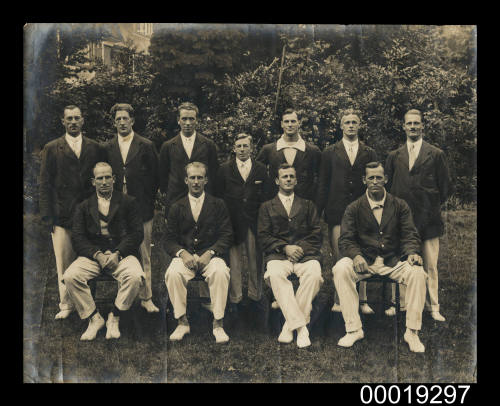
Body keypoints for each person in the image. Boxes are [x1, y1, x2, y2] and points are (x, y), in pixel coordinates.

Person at [332, 162, 428, 352]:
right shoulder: (354, 207)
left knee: (418, 272)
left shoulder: (400, 205)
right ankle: (353, 329)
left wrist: (412, 253)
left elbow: (410, 234)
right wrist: (356, 256)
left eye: (378, 177)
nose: (375, 181)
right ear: (364, 180)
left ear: (386, 179)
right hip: (365, 261)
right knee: (340, 268)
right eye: (371, 178)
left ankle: (412, 331)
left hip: (394, 260)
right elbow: (346, 239)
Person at [63, 162, 145, 341]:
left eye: (108, 177)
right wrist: (97, 255)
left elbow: (137, 233)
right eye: (100, 178)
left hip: (121, 255)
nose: (104, 181)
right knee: (70, 276)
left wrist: (118, 253)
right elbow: (78, 237)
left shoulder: (128, 202)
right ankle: (94, 318)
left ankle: (114, 316)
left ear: (114, 179)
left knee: (135, 277)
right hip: (93, 256)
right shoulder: (83, 206)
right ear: (93, 182)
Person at [385, 109, 453, 321]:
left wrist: (429, 205)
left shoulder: (436, 154)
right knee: (402, 262)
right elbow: (388, 187)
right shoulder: (394, 156)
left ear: (423, 126)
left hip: (428, 220)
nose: (413, 127)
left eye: (417, 123)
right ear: (403, 126)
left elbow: (446, 187)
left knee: (430, 264)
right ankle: (402, 304)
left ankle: (433, 307)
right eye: (409, 123)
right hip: (402, 221)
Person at [39, 105, 105, 319]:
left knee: (89, 259)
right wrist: (48, 216)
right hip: (62, 215)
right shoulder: (52, 148)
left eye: (77, 118)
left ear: (83, 121)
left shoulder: (94, 147)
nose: (73, 122)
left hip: (89, 215)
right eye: (69, 118)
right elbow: (45, 184)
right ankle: (66, 304)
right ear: (63, 121)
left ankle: (89, 301)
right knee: (64, 261)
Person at [316, 109, 378, 315]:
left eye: (354, 122)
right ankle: (339, 299)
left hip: (363, 213)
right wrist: (319, 210)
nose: (351, 125)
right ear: (341, 126)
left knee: (362, 253)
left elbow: (373, 182)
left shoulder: (369, 152)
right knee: (340, 257)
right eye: (347, 122)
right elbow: (323, 183)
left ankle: (362, 299)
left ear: (359, 126)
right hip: (337, 212)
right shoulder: (329, 152)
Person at [164, 162, 233, 343]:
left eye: (199, 178)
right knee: (172, 273)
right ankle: (182, 322)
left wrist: (210, 252)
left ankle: (218, 323)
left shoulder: (218, 204)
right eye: (192, 178)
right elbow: (168, 239)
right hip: (185, 257)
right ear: (186, 180)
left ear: (206, 180)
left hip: (210, 256)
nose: (196, 182)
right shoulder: (176, 206)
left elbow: (227, 235)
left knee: (220, 272)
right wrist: (182, 253)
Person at [258, 164, 324, 348]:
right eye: (284, 176)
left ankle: (288, 326)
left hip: (305, 256)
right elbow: (263, 236)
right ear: (277, 181)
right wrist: (285, 248)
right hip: (279, 256)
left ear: (296, 180)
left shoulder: (308, 205)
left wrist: (299, 248)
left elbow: (317, 233)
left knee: (315, 276)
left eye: (291, 176)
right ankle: (302, 329)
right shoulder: (266, 207)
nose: (288, 179)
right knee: (274, 275)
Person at [104, 103, 160, 313]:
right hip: (116, 209)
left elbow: (155, 177)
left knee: (144, 251)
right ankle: (124, 294)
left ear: (132, 121)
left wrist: (147, 200)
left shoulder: (146, 145)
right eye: (118, 119)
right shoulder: (107, 147)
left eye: (125, 118)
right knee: (119, 250)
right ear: (114, 123)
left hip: (141, 207)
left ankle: (147, 297)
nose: (121, 122)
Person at [215, 133, 271, 313]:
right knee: (234, 260)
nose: (242, 149)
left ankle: (255, 296)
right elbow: (218, 197)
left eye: (245, 146)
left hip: (254, 221)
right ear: (233, 148)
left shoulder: (261, 169)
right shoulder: (224, 169)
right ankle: (235, 298)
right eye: (238, 146)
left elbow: (267, 196)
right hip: (232, 222)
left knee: (256, 259)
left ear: (251, 148)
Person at [159, 102, 219, 218]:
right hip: (176, 200)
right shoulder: (168, 146)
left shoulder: (208, 145)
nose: (187, 123)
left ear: (197, 120)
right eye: (184, 119)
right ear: (178, 120)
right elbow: (163, 177)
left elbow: (214, 174)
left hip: (202, 201)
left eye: (191, 119)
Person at [256, 108, 321, 202]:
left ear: (299, 123)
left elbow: (321, 180)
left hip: (304, 206)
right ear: (282, 124)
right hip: (276, 207)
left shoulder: (312, 151)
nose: (290, 125)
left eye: (293, 121)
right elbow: (257, 175)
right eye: (286, 121)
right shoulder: (268, 150)